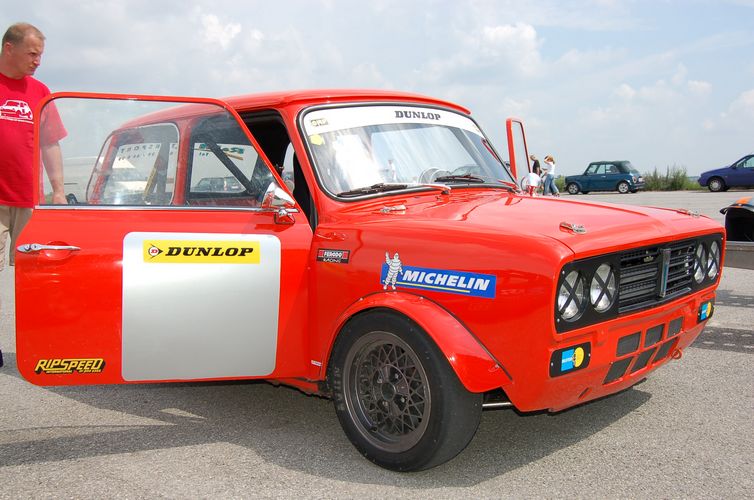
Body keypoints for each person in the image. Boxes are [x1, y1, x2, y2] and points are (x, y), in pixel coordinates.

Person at [0, 22, 66, 270]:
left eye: (40, 55)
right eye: (32, 54)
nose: (37, 61)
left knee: (30, 270)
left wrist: (58, 191)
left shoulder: (40, 92)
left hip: (28, 198)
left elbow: (50, 144)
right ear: (9, 49)